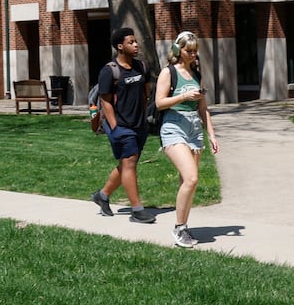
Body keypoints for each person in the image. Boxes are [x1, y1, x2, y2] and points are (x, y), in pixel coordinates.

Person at [152, 31, 219, 248]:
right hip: (173, 126)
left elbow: (203, 108)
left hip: (194, 129)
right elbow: (159, 103)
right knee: (192, 178)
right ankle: (179, 228)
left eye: (194, 51)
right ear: (177, 50)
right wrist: (183, 96)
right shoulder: (168, 72)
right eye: (188, 51)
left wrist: (211, 134)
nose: (192, 55)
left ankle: (184, 226)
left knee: (186, 182)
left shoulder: (197, 74)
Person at [89, 26, 156, 224]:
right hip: (121, 125)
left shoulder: (141, 67)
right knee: (129, 163)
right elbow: (106, 101)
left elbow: (146, 93)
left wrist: (143, 117)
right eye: (131, 42)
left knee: (127, 164)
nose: (136, 45)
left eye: (136, 42)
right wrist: (114, 126)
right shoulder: (109, 71)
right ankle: (137, 210)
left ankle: (102, 195)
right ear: (120, 46)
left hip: (138, 124)